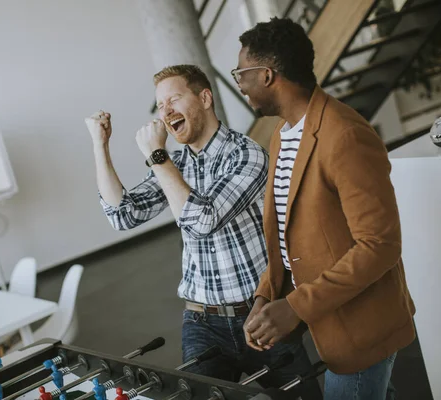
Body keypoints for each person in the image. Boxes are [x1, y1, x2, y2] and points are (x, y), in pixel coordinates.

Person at [85, 64, 321, 398]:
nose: (165, 112)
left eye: (174, 99)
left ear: (205, 98)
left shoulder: (247, 155)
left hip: (259, 313)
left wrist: (157, 156)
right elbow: (123, 214)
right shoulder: (177, 164)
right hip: (202, 321)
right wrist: (100, 144)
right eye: (160, 105)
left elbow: (203, 221)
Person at [234, 18, 415, 400]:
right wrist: (265, 296)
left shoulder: (344, 134)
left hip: (361, 328)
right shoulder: (282, 136)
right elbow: (287, 232)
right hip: (326, 322)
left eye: (241, 73)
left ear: (267, 75)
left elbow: (379, 245)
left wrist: (295, 306)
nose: (238, 82)